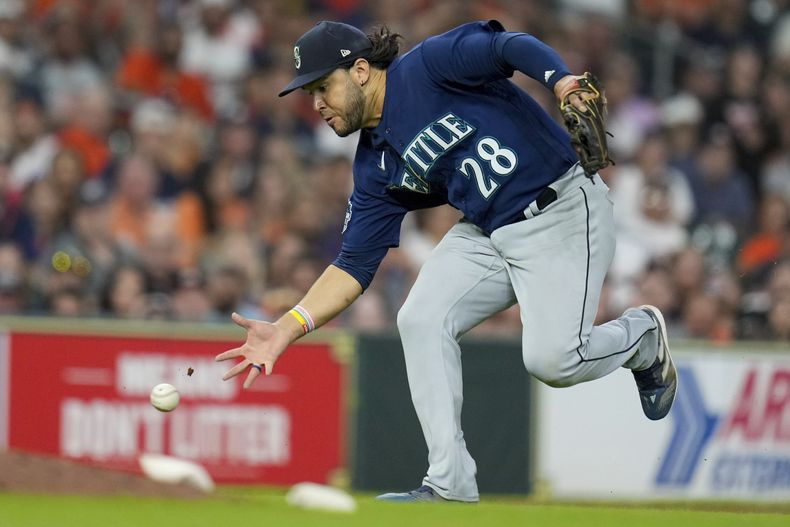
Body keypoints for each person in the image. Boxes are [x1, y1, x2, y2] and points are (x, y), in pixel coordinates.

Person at [215, 20, 677, 503]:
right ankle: (449, 484)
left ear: (360, 70)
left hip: (560, 207)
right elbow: (352, 266)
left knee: (553, 360)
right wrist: (284, 329)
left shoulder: (429, 66)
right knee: (420, 318)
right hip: (487, 230)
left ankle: (640, 338)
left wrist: (560, 80)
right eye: (309, 93)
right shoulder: (375, 167)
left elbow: (507, 46)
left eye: (321, 86)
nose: (316, 104)